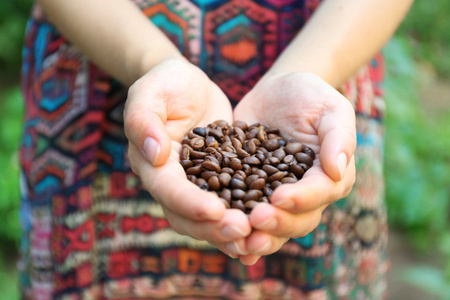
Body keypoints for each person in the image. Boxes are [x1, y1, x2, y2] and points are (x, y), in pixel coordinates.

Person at [19, 0, 413, 299]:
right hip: (104, 60)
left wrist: (313, 67)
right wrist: (150, 61)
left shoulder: (290, 140)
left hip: (327, 66)